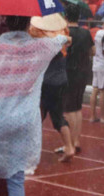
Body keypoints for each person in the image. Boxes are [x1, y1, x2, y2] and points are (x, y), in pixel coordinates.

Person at [0, 15, 68, 196]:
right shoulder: (41, 48)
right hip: (24, 120)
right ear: (29, 23)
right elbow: (61, 40)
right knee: (16, 180)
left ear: (6, 24)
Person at [30, 13, 75, 163]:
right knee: (54, 114)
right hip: (61, 80)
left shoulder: (42, 39)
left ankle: (68, 147)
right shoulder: (61, 35)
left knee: (42, 115)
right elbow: (68, 40)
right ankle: (68, 146)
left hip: (47, 82)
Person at [62, 5, 93, 149]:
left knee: (68, 109)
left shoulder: (65, 33)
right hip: (83, 71)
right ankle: (76, 140)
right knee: (77, 107)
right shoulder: (86, 33)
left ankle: (69, 143)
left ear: (66, 17)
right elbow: (92, 51)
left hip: (69, 71)